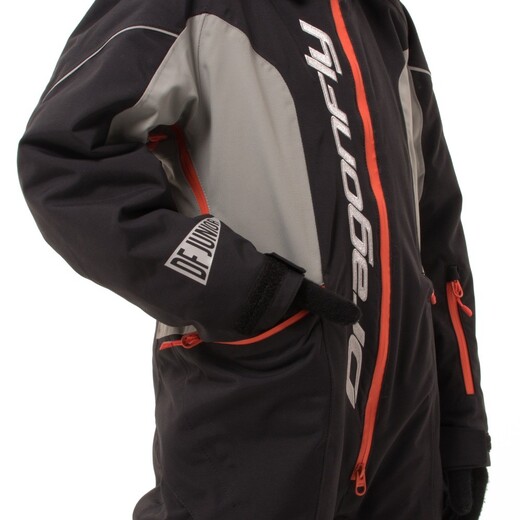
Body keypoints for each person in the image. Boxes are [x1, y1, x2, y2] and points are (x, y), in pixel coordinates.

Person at [17, 0, 491, 518]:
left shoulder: (385, 19)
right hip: (256, 425)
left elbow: (438, 244)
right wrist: (247, 289)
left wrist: (461, 425)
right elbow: (65, 162)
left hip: (405, 458)